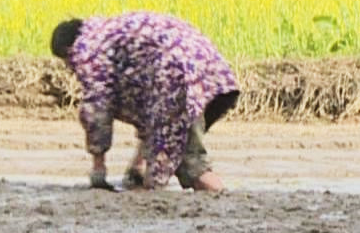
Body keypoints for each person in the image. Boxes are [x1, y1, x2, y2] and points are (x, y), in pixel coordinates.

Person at [50, 12, 241, 193]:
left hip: (178, 77)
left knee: (189, 161)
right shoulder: (108, 33)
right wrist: (139, 166)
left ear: (68, 50)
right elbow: (145, 106)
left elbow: (97, 108)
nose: (71, 68)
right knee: (170, 148)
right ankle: (142, 170)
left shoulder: (85, 50)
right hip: (211, 74)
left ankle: (223, 199)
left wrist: (98, 168)